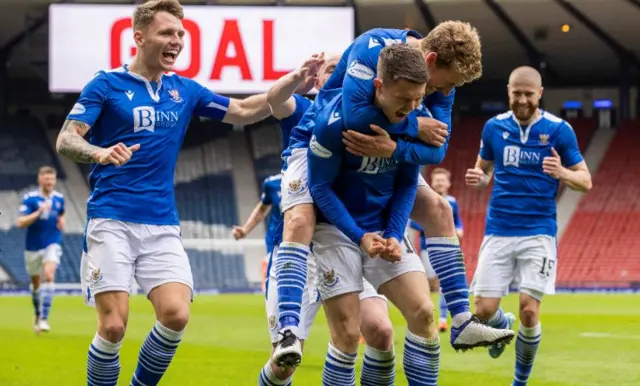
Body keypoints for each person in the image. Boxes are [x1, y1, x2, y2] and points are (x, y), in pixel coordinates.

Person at [273, 21, 514, 367]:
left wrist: (395, 148)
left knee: (438, 208)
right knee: (299, 219)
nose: (445, 93)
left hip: (386, 150)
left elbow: (438, 149)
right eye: (448, 84)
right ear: (430, 60)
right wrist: (414, 127)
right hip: (318, 140)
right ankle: (288, 331)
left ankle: (461, 319)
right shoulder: (372, 48)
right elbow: (355, 117)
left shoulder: (440, 87)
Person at [55, 1, 271, 385]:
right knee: (114, 327)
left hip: (161, 224)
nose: (177, 41)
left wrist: (292, 83)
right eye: (167, 33)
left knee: (175, 316)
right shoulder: (106, 84)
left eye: (180, 35)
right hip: (111, 219)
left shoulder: (184, 90)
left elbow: (241, 110)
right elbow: (67, 140)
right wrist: (99, 152)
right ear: (139, 37)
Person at [308, 43, 439, 386]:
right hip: (336, 231)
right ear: (378, 87)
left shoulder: (414, 121)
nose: (412, 108)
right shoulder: (334, 123)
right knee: (350, 336)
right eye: (404, 99)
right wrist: (358, 236)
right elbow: (320, 189)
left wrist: (395, 234)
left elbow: (408, 184)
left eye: (418, 99)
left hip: (383, 228)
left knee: (424, 313)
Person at [465, 66, 592, 386]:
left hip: (539, 232)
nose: (522, 99)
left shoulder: (559, 130)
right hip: (499, 229)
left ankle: (519, 381)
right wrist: (479, 179)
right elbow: (484, 171)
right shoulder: (493, 127)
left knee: (529, 311)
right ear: (508, 92)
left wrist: (562, 172)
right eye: (516, 93)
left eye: (528, 94)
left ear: (540, 93)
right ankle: (499, 325)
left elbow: (585, 181)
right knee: (482, 311)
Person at [409, 167, 464, 332]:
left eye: (442, 180)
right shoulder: (425, 201)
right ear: (431, 183)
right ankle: (425, 316)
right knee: (428, 283)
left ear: (448, 183)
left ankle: (441, 319)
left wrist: (459, 230)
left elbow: (457, 221)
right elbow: (415, 224)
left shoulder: (452, 202)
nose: (440, 183)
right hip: (428, 248)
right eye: (437, 180)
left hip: (448, 247)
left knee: (443, 283)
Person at [16, 166, 64, 334]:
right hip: (33, 247)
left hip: (52, 242)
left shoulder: (59, 198)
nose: (50, 182)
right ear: (40, 179)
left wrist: (61, 220)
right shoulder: (30, 199)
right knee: (36, 284)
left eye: (52, 179)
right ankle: (37, 315)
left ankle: (44, 318)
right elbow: (20, 223)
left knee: (49, 274)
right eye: (47, 179)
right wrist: (38, 213)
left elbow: (61, 212)